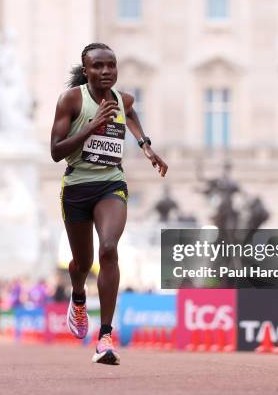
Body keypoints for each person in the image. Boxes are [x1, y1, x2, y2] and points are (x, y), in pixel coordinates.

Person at [50, 43, 168, 365]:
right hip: (76, 187)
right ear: (86, 70)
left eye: (111, 66)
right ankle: (77, 297)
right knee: (82, 263)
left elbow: (130, 112)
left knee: (109, 249)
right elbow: (56, 151)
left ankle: (104, 336)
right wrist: (91, 126)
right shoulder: (72, 100)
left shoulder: (121, 99)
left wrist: (145, 146)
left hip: (110, 183)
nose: (106, 72)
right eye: (98, 66)